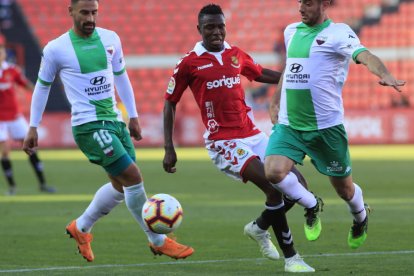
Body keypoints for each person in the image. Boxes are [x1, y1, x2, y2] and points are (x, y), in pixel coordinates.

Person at [23, 0, 193, 262]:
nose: (90, 18)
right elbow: (42, 86)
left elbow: (121, 76)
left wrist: (133, 116)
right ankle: (157, 240)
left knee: (120, 185)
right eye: (84, 13)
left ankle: (80, 227)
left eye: (94, 12)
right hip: (89, 125)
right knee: (133, 178)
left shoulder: (110, 38)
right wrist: (34, 125)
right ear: (71, 12)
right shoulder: (56, 49)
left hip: (114, 121)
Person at [163, 4, 318, 273]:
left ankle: (259, 227)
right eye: (210, 26)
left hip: (252, 133)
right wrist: (169, 148)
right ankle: (292, 258)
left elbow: (260, 73)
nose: (216, 31)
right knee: (274, 187)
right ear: (199, 29)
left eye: (220, 25)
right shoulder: (189, 62)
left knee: (299, 185)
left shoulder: (235, 54)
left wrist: (293, 78)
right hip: (223, 142)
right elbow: (170, 102)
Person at [264, 0, 405, 250]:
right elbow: (288, 69)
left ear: (323, 4)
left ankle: (360, 217)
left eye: (307, 3)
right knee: (273, 172)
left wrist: (384, 74)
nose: (301, 8)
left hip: (326, 129)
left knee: (345, 191)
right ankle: (311, 204)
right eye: (300, 2)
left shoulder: (338, 33)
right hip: (290, 124)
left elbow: (365, 55)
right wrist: (275, 101)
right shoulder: (291, 31)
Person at [0, 34, 55, 195]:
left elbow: (26, 85)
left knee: (31, 148)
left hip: (15, 116)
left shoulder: (12, 70)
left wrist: (39, 93)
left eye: (1, 51)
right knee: (4, 152)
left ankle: (43, 183)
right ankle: (12, 187)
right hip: (0, 120)